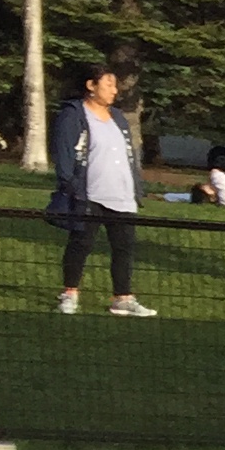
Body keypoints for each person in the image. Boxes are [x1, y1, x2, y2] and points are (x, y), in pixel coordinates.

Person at [48, 63, 153, 315]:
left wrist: (136, 187)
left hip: (122, 194)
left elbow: (128, 154)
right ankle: (69, 293)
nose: (114, 90)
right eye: (109, 84)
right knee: (81, 243)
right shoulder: (73, 115)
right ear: (91, 86)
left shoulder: (117, 117)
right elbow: (65, 155)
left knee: (124, 248)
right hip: (89, 194)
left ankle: (123, 297)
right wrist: (71, 185)